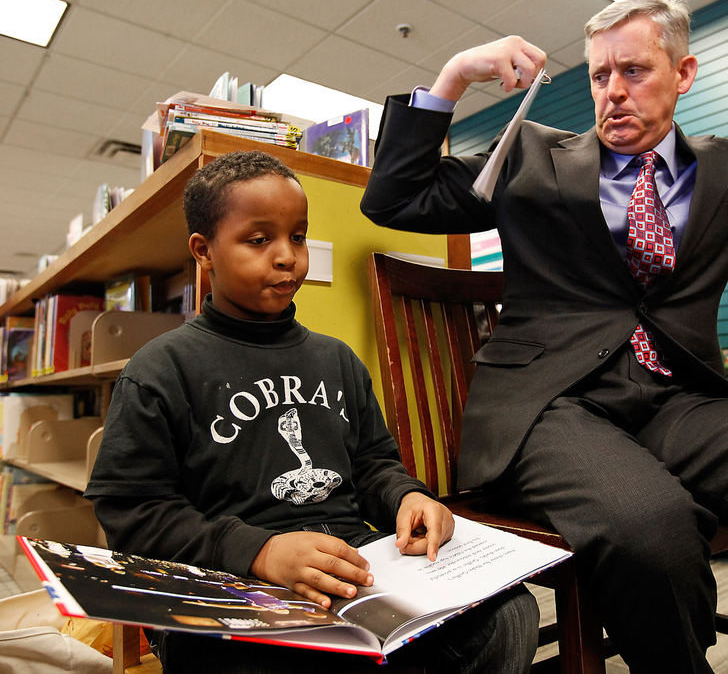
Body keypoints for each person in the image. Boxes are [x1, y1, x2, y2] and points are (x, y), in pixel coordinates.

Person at [359, 0, 728, 674]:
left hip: (677, 399)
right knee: (647, 521)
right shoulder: (527, 158)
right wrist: (453, 78)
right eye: (599, 76)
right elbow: (396, 199)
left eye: (633, 71)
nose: (612, 92)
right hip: (551, 405)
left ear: (683, 73)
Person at [85, 150, 539, 674]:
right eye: (259, 240)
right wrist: (260, 552)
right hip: (228, 580)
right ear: (203, 251)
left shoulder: (336, 359)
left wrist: (407, 496)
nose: (286, 257)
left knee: (506, 615)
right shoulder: (162, 369)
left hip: (351, 563)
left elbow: (373, 463)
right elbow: (131, 514)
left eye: (297, 237)